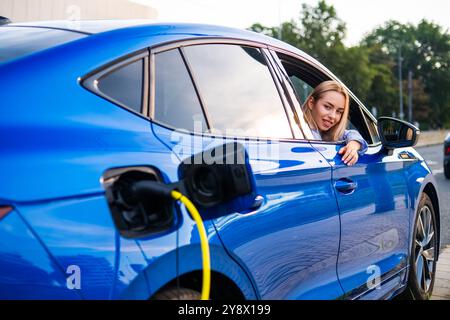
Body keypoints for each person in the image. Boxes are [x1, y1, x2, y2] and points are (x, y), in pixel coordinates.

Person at [302, 80, 368, 166]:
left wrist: (354, 145)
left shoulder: (329, 133)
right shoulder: (296, 130)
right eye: (327, 107)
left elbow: (351, 133)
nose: (333, 116)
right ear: (311, 103)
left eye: (339, 112)